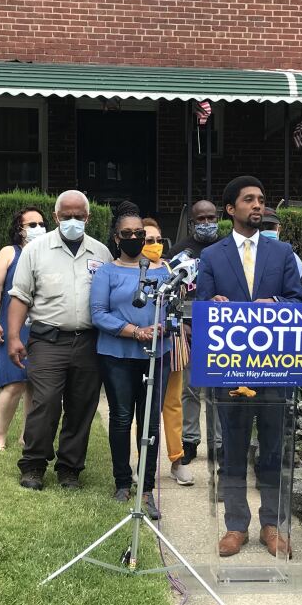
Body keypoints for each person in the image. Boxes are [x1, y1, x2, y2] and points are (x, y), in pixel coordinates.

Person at [196, 176, 302, 559]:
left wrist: (275, 302)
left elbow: (297, 301)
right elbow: (201, 310)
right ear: (231, 209)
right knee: (234, 449)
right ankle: (235, 526)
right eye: (249, 200)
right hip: (230, 369)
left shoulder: (283, 253)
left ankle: (272, 526)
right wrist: (214, 305)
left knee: (273, 450)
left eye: (261, 199)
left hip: (275, 369)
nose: (258, 205)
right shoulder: (211, 256)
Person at [7, 190, 113, 491]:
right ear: (56, 217)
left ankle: (70, 469)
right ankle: (33, 466)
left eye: (79, 216)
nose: (72, 221)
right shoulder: (36, 250)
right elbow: (20, 296)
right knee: (46, 403)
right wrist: (14, 336)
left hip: (90, 342)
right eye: (66, 216)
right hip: (47, 340)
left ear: (88, 218)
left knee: (82, 407)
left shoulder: (101, 253)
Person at [90, 203, 170, 520]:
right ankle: (122, 482)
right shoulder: (106, 272)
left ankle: (146, 489)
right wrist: (135, 331)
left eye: (140, 233)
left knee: (149, 422)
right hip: (117, 355)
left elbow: (175, 309)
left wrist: (166, 325)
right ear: (116, 238)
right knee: (122, 418)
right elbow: (98, 313)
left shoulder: (164, 271)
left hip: (156, 355)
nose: (135, 237)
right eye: (128, 233)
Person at [0, 206, 47, 451]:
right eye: (32, 225)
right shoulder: (8, 252)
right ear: (19, 229)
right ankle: (0, 436)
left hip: (41, 326)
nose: (38, 229)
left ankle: (27, 435)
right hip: (13, 325)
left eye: (41, 224)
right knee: (14, 383)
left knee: (34, 384)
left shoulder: (47, 254)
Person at [169, 200, 222, 465]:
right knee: (189, 390)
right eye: (200, 219)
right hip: (188, 330)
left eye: (210, 218)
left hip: (222, 332)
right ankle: (190, 441)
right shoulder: (181, 251)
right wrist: (183, 323)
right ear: (192, 222)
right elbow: (172, 292)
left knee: (217, 390)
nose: (206, 223)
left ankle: (218, 444)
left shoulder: (228, 248)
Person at [143, 217, 194, 487]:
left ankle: (177, 460)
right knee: (142, 407)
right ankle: (142, 462)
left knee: (173, 405)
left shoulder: (174, 268)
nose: (154, 245)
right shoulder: (130, 270)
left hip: (172, 345)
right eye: (148, 240)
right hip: (141, 345)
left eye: (158, 240)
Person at [261, 207, 302, 301]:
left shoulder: (246, 254)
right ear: (279, 229)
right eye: (263, 226)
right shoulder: (291, 257)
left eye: (269, 227)